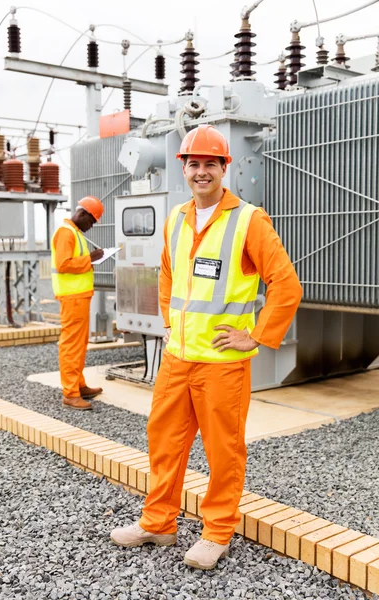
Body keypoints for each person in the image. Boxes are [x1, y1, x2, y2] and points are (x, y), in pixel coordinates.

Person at [110, 125, 303, 569]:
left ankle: (216, 532)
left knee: (223, 451)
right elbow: (167, 276)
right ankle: (159, 522)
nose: (201, 172)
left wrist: (254, 336)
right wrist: (170, 323)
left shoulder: (249, 220)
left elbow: (286, 285)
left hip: (222, 365)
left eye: (209, 164)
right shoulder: (176, 218)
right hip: (178, 359)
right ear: (184, 168)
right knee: (164, 444)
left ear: (224, 168)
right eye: (193, 164)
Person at [51, 196, 105, 410]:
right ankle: (71, 393)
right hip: (72, 298)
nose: (91, 226)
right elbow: (63, 264)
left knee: (79, 344)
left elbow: (73, 263)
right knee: (71, 346)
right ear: (82, 214)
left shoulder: (74, 233)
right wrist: (90, 259)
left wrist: (89, 260)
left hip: (79, 297)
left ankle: (78, 385)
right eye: (91, 221)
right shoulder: (67, 233)